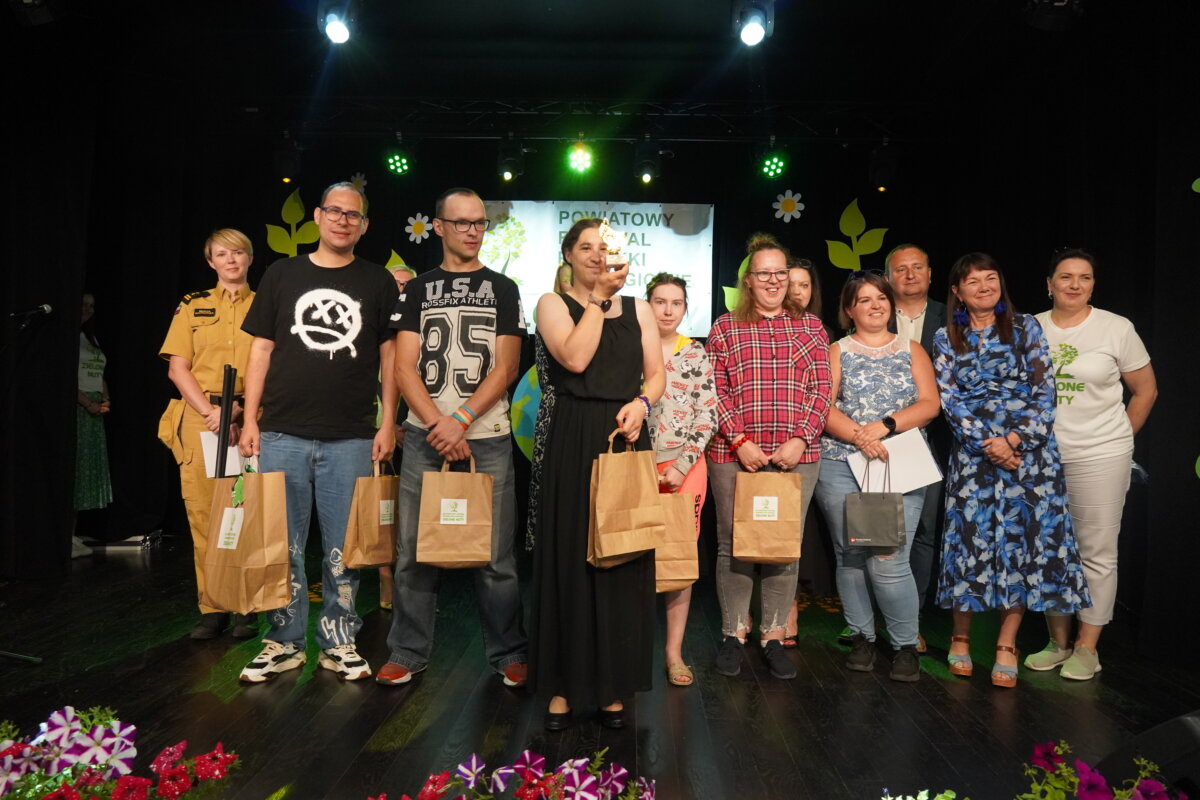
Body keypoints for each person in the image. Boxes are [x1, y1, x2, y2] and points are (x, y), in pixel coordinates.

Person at [237, 182, 398, 683]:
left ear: (364, 226)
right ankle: (283, 643)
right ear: (317, 216)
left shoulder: (377, 281)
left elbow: (390, 357)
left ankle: (339, 641)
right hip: (281, 432)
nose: (343, 220)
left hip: (352, 436)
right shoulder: (282, 274)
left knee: (345, 548)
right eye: (335, 211)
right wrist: (250, 419)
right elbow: (261, 349)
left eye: (353, 215)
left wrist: (387, 422)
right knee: (280, 545)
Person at [378, 188, 529, 687]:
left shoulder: (504, 288)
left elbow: (507, 366)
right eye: (462, 222)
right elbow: (403, 367)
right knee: (413, 551)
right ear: (439, 227)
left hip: (487, 437)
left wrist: (459, 419)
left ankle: (509, 652)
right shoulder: (417, 289)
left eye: (479, 222)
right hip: (426, 438)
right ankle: (407, 651)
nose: (472, 231)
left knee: (495, 555)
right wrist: (439, 424)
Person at [529, 218, 664, 730]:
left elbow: (656, 373)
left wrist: (643, 405)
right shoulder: (551, 303)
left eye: (604, 248)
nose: (595, 255)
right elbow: (575, 357)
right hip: (573, 436)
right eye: (585, 247)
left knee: (621, 557)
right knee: (570, 558)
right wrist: (599, 300)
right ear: (568, 254)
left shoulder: (641, 309)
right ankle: (563, 686)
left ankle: (613, 687)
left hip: (625, 435)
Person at [934, 252, 1090, 688]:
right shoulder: (945, 337)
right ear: (957, 291)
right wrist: (991, 445)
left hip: (1030, 457)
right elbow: (950, 400)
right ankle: (961, 637)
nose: (984, 287)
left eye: (991, 278)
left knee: (1022, 545)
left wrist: (1015, 441)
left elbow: (1045, 392)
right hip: (975, 458)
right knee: (970, 543)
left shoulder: (1026, 327)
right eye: (973, 281)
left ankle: (1007, 642)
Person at [1025, 249, 1157, 680]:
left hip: (1100, 456)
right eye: (1066, 276)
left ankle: (1087, 648)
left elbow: (1145, 391)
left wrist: (1119, 440)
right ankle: (1058, 642)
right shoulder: (1029, 328)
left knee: (1096, 552)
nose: (1075, 284)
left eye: (1084, 277)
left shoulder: (1116, 328)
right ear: (1049, 284)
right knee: (1048, 551)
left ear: (1093, 285)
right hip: (1042, 458)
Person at [706, 233, 831, 680]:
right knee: (733, 546)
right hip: (732, 454)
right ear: (748, 280)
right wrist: (740, 440)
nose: (774, 280)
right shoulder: (724, 328)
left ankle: (774, 636)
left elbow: (822, 390)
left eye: (781, 272)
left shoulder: (811, 328)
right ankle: (732, 634)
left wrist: (800, 439)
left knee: (783, 548)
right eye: (764, 273)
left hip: (797, 456)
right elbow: (714, 391)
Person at [812, 272, 939, 682]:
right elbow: (823, 407)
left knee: (888, 558)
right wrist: (858, 437)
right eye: (864, 300)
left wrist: (883, 427)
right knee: (850, 554)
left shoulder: (911, 349)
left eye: (881, 298)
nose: (875, 305)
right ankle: (862, 637)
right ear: (849, 310)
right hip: (842, 463)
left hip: (897, 465)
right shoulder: (836, 351)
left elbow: (930, 404)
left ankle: (905, 644)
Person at [158, 229, 257, 639]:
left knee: (244, 513)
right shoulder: (192, 305)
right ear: (210, 262)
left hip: (249, 417)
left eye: (237, 252)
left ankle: (247, 606)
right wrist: (211, 411)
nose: (230, 260)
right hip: (201, 418)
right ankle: (213, 606)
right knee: (204, 516)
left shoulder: (266, 304)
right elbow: (177, 367)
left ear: (249, 258)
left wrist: (237, 409)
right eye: (221, 254)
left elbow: (273, 366)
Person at [645, 272, 717, 688]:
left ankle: (673, 653)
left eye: (676, 303)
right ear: (647, 305)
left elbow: (707, 416)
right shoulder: (631, 347)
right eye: (660, 301)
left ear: (686, 308)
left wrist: (681, 465)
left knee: (678, 561)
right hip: (637, 468)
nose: (668, 310)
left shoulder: (695, 353)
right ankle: (632, 648)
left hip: (684, 470)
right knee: (632, 555)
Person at [885, 243, 948, 651]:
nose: (910, 275)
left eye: (917, 267)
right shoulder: (872, 309)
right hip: (879, 438)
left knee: (923, 532)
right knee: (875, 528)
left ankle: (912, 620)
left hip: (934, 439)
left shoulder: (952, 317)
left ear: (930, 273)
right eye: (901, 269)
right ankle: (869, 620)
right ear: (887, 277)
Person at [74, 293, 111, 557]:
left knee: (86, 473)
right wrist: (88, 403)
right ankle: (64, 536)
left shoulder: (91, 339)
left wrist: (105, 398)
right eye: (83, 304)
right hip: (80, 408)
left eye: (92, 306)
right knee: (75, 471)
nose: (88, 309)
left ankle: (73, 533)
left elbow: (99, 373)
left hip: (95, 409)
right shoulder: (69, 339)